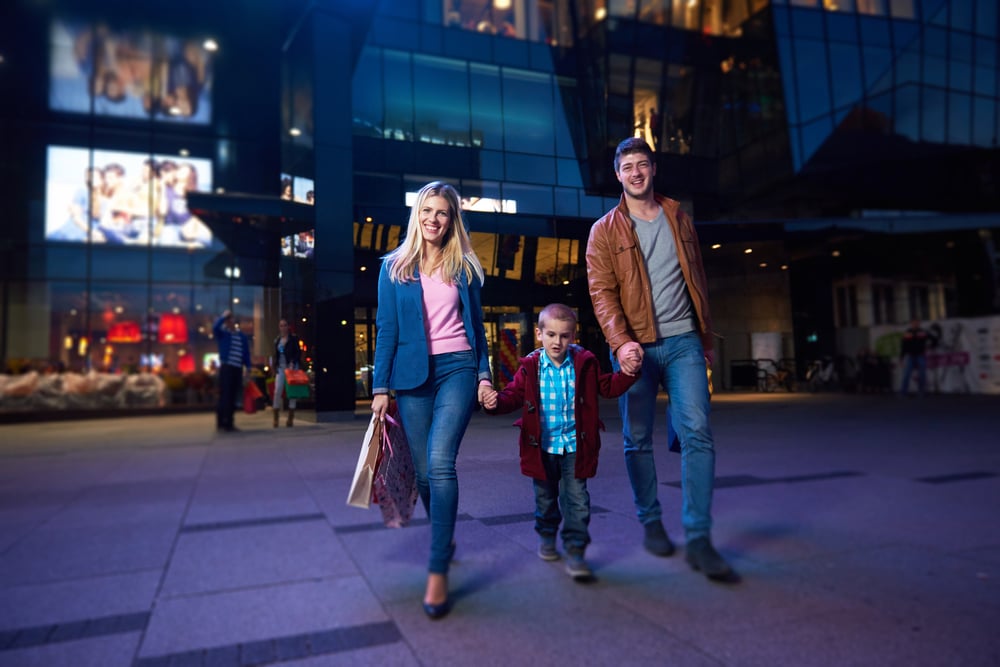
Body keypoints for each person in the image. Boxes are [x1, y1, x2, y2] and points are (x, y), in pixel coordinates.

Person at [585, 136, 735, 582]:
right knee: (636, 438)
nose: (636, 172)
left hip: (685, 340)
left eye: (643, 164)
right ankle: (651, 520)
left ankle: (699, 537)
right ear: (618, 174)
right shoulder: (604, 231)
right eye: (627, 166)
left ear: (654, 169)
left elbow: (697, 277)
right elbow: (602, 293)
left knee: (698, 432)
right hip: (635, 348)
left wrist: (705, 337)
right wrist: (619, 341)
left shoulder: (679, 217)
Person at [370, 181, 493, 619]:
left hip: (457, 368)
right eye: (427, 211)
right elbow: (386, 329)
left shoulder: (466, 266)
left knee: (441, 463)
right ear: (417, 215)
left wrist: (483, 375)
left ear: (452, 218)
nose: (433, 220)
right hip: (411, 378)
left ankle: (437, 567)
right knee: (424, 474)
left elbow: (477, 328)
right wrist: (380, 387)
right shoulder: (394, 267)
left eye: (442, 213)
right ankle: (445, 534)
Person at [481, 304, 638, 581]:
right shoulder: (530, 367)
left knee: (577, 500)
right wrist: (495, 402)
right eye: (551, 335)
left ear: (573, 336)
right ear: (540, 334)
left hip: (576, 447)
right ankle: (547, 534)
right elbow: (513, 396)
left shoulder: (585, 362)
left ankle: (576, 549)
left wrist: (628, 374)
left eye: (564, 335)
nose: (558, 341)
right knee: (545, 500)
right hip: (540, 449)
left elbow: (607, 387)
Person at [213, 309, 251, 432]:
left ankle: (229, 421)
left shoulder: (242, 337)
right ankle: (222, 422)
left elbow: (246, 353)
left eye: (230, 320)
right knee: (225, 395)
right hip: (227, 368)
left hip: (237, 368)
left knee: (233, 395)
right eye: (227, 320)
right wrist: (223, 316)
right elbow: (215, 328)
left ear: (234, 322)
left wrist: (248, 368)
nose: (229, 322)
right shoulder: (224, 334)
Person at [271, 318, 302, 427]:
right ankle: (276, 418)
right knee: (277, 390)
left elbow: (298, 353)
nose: (283, 327)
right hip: (281, 368)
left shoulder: (293, 339)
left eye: (285, 325)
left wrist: (293, 362)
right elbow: (276, 355)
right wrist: (274, 366)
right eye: (281, 325)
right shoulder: (277, 340)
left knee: (291, 393)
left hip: (291, 368)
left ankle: (290, 418)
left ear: (288, 327)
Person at [899, 318, 929, 396]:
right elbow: (903, 346)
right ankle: (903, 391)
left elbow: (929, 340)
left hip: (920, 355)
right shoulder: (908, 332)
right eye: (914, 323)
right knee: (906, 374)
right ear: (911, 323)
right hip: (910, 356)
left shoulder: (922, 332)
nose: (915, 324)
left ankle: (921, 391)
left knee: (922, 374)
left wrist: (928, 346)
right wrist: (901, 358)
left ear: (919, 323)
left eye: (917, 323)